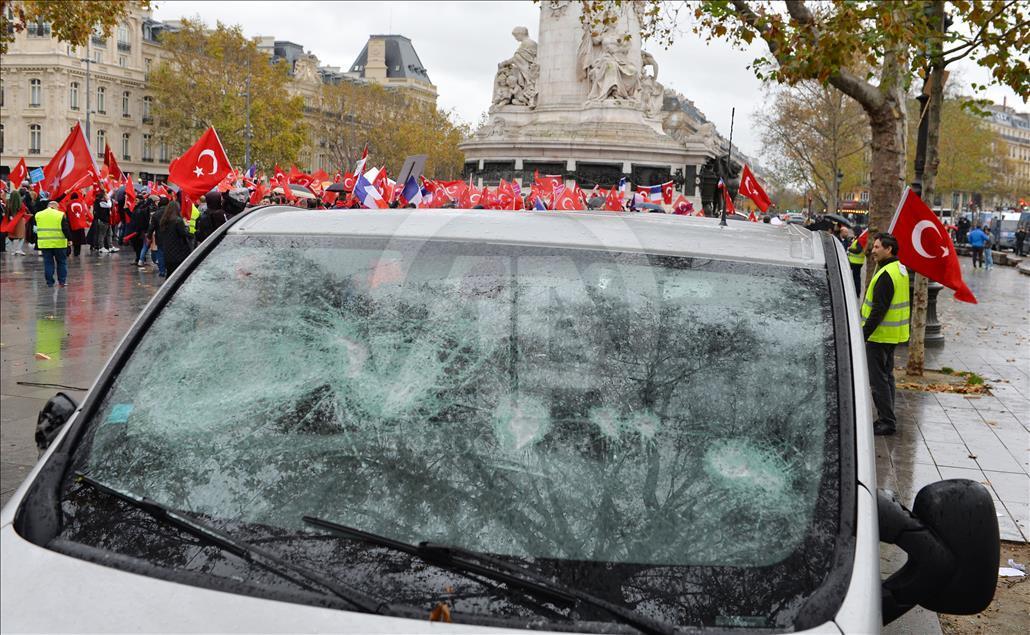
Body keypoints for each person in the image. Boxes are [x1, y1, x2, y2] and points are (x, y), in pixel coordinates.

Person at [862, 233, 910, 436]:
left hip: (879, 335)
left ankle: (886, 421)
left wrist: (863, 334)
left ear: (888, 249)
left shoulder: (886, 274)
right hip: (893, 334)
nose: (873, 250)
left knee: (878, 380)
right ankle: (888, 417)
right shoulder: (899, 269)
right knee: (887, 377)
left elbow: (878, 310)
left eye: (877, 247)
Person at [35, 201, 72, 287]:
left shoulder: (38, 215)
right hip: (59, 243)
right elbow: (65, 228)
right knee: (61, 262)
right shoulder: (60, 215)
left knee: (48, 263)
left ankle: (50, 282)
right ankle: (62, 282)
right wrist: (70, 239)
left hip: (45, 243)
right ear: (56, 207)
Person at [155, 201, 191, 276]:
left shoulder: (164, 220)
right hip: (178, 250)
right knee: (178, 273)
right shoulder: (178, 220)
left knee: (170, 273)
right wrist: (189, 231)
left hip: (167, 250)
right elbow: (183, 233)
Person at [846, 230, 866, 294]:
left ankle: (856, 292)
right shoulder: (858, 240)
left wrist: (849, 249)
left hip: (855, 262)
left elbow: (858, 250)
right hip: (858, 262)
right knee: (856, 277)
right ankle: (857, 292)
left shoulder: (859, 241)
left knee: (854, 278)